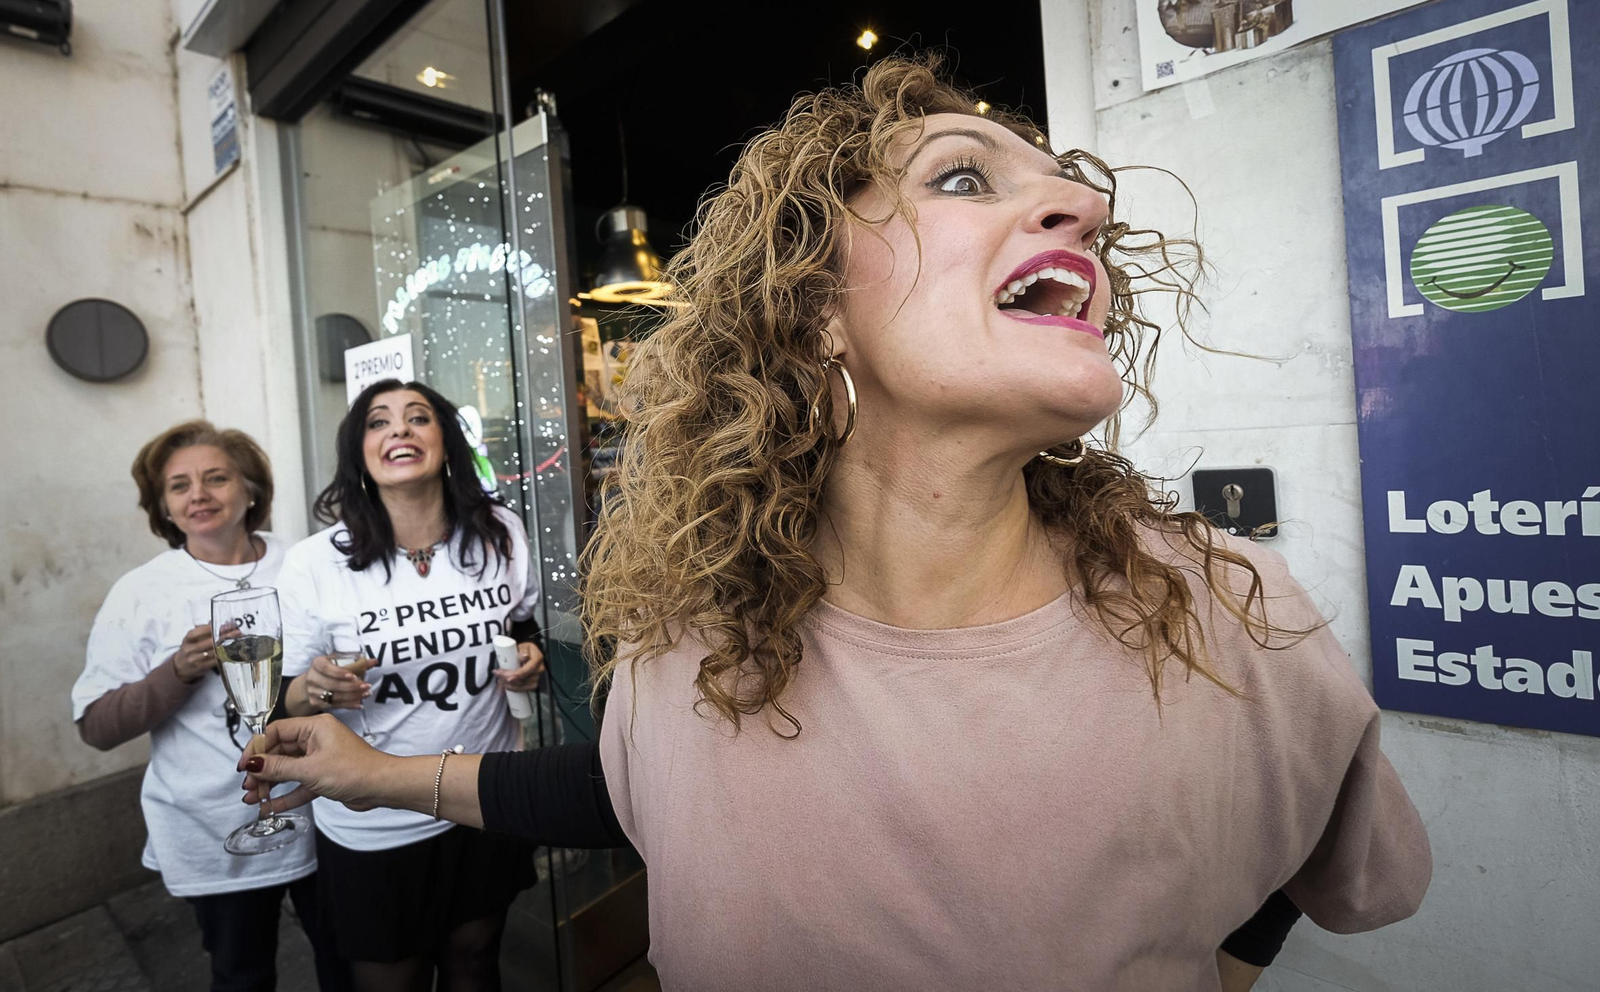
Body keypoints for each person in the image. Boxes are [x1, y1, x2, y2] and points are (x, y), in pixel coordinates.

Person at [239, 55, 1432, 991]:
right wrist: (375, 772)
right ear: (813, 308)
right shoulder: (686, 636)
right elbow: (629, 794)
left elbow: (1317, 857)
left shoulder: (1227, 612)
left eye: (1070, 187)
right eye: (963, 176)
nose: (1081, 200)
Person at [274, 379, 546, 992]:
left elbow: (523, 631)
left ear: (445, 442)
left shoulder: (499, 531)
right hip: (378, 816)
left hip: (485, 791)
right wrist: (316, 688)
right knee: (390, 980)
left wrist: (531, 658)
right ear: (359, 453)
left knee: (476, 962)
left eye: (418, 417)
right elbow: (284, 700)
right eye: (379, 422)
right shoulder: (317, 562)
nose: (399, 429)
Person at [72, 420, 347, 992]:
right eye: (178, 486)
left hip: (325, 817)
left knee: (346, 964)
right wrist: (175, 673)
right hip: (214, 831)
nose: (198, 494)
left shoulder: (303, 565)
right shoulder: (142, 591)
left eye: (216, 477)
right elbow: (96, 726)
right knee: (242, 977)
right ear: (164, 508)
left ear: (251, 490)